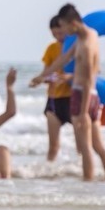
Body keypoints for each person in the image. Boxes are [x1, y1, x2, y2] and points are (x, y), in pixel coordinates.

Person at [31, 3, 105, 181]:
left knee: (85, 147)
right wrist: (41, 77)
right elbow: (64, 59)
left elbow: (85, 79)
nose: (63, 30)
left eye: (63, 26)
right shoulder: (91, 35)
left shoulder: (84, 45)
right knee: (99, 146)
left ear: (72, 23)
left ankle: (88, 185)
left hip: (81, 95)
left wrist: (84, 111)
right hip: (94, 96)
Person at [36, 15, 74, 161]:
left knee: (80, 144)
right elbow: (46, 73)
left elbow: (85, 73)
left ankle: (83, 177)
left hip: (71, 98)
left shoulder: (74, 47)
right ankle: (49, 175)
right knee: (53, 146)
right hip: (54, 100)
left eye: (60, 33)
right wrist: (46, 79)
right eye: (54, 34)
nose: (58, 37)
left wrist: (68, 77)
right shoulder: (51, 49)